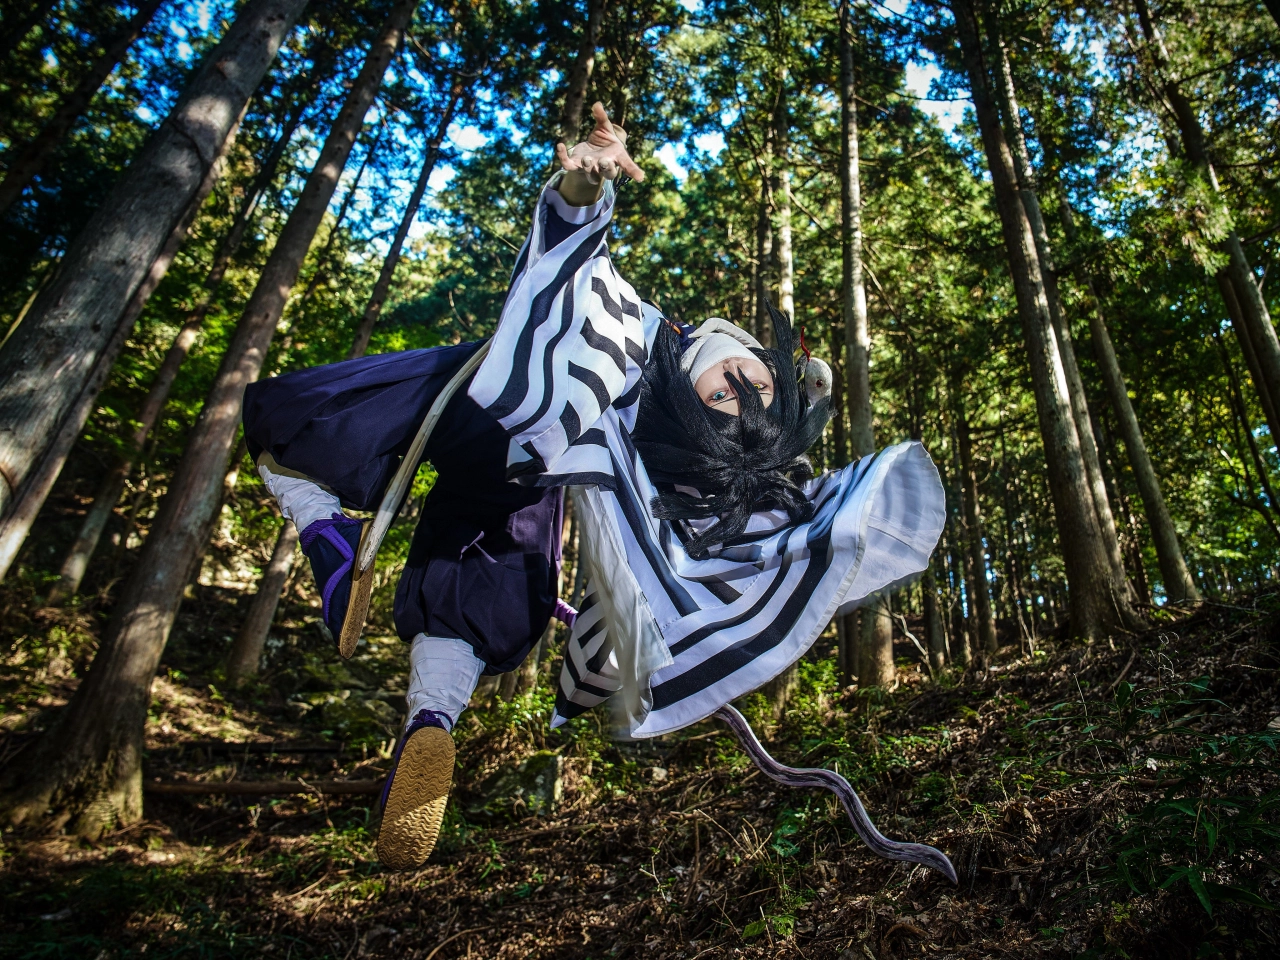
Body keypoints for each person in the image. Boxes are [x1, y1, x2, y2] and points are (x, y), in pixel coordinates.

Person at [242, 104, 946, 871]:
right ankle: (347, 566)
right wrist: (583, 186)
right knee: (316, 443)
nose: (739, 391)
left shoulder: (655, 389)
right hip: (502, 422)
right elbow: (575, 272)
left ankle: (426, 716)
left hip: (504, 426)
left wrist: (580, 198)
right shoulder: (654, 339)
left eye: (737, 406)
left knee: (320, 455)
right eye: (751, 381)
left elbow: (578, 273)